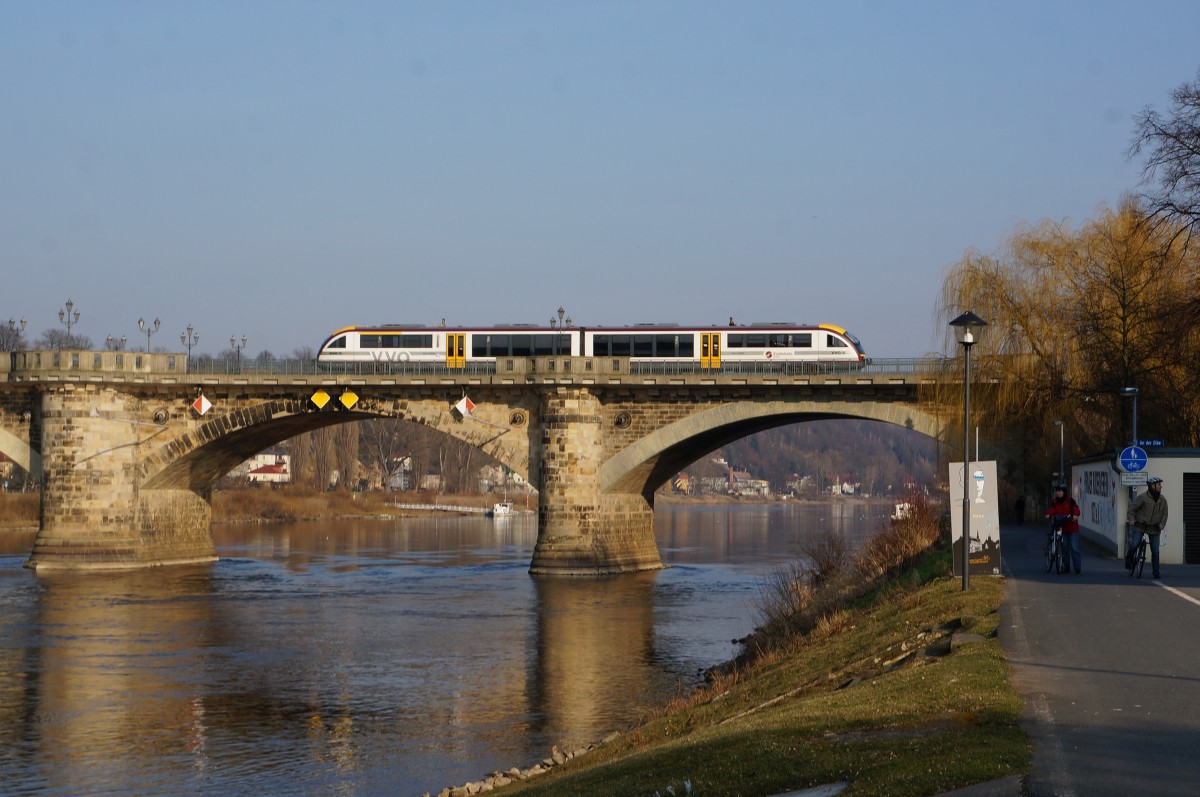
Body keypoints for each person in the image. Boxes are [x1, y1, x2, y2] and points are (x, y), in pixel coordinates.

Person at [1127, 476, 1168, 579]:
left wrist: (1162, 524)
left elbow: (1164, 514)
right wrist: (1131, 519)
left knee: (1155, 551)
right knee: (1134, 544)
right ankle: (1129, 560)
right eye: (1158, 485)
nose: (1160, 486)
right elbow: (1132, 509)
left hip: (1154, 527)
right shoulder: (1143, 497)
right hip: (1141, 525)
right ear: (1152, 486)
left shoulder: (1162, 500)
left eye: (1160, 484)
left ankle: (1156, 572)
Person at [1045, 483, 1082, 574]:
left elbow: (1075, 509)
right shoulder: (1054, 502)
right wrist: (1049, 514)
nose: (1058, 493)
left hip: (1072, 527)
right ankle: (1066, 566)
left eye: (1060, 491)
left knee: (1074, 547)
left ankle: (1077, 567)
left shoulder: (1070, 501)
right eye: (1057, 491)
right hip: (1061, 527)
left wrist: (1075, 515)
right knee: (1064, 547)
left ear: (1064, 492)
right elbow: (1052, 509)